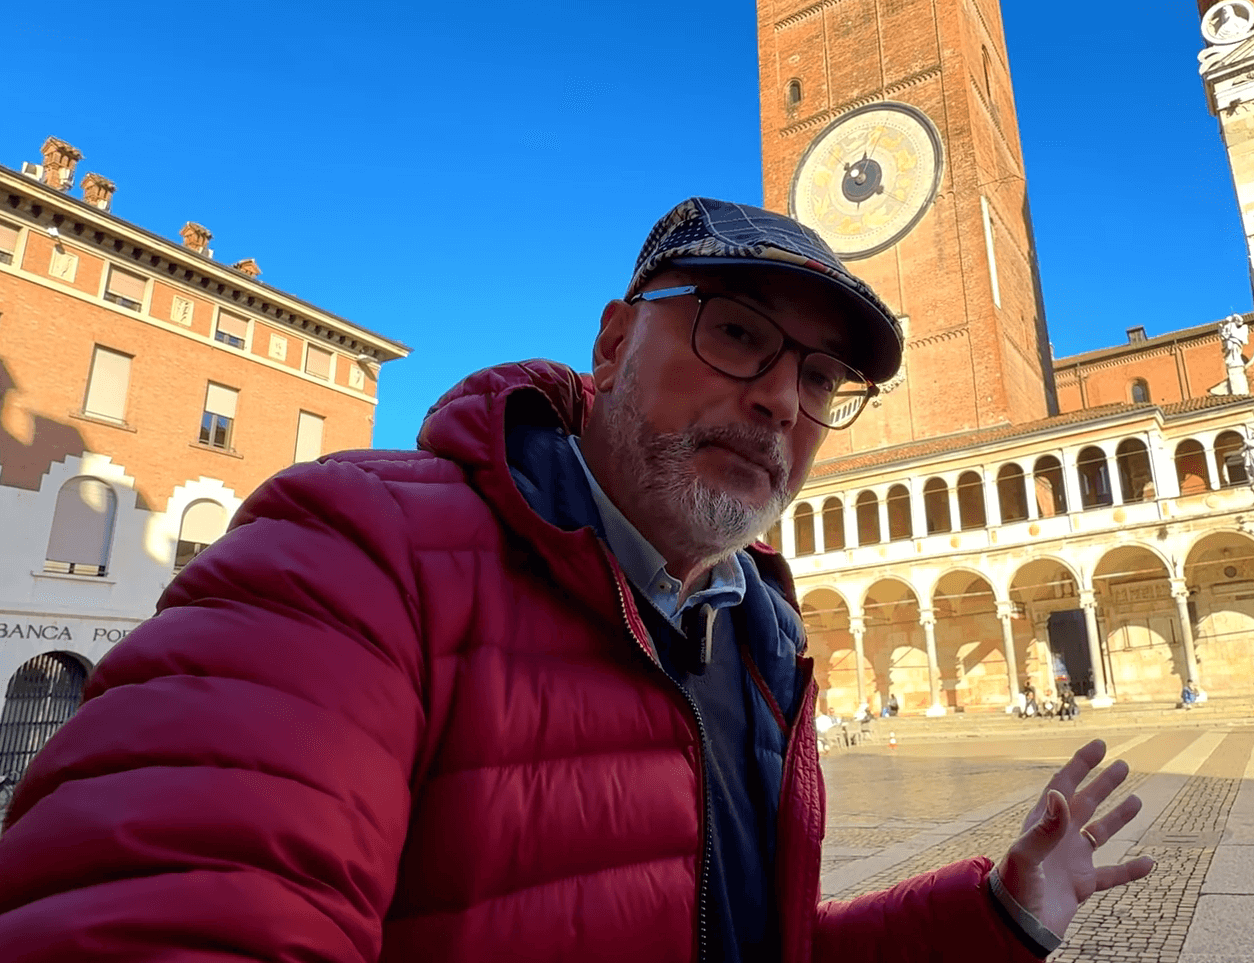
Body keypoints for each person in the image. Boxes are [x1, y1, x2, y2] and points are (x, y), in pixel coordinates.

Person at [0, 198, 1157, 960]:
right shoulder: (355, 547)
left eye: (818, 377)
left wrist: (992, 914)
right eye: (738, 336)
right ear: (610, 345)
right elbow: (164, 903)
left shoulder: (755, 636)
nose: (776, 401)